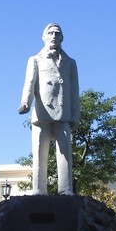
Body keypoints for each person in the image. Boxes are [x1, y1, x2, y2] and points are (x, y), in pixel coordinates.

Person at [18, 23, 80, 195]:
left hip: (64, 113)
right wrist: (25, 102)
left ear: (62, 38)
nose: (53, 36)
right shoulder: (35, 59)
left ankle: (66, 189)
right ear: (44, 37)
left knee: (65, 153)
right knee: (39, 152)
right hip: (42, 112)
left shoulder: (70, 62)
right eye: (50, 33)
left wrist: (76, 114)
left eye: (57, 33)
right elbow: (29, 84)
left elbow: (74, 91)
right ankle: (39, 189)